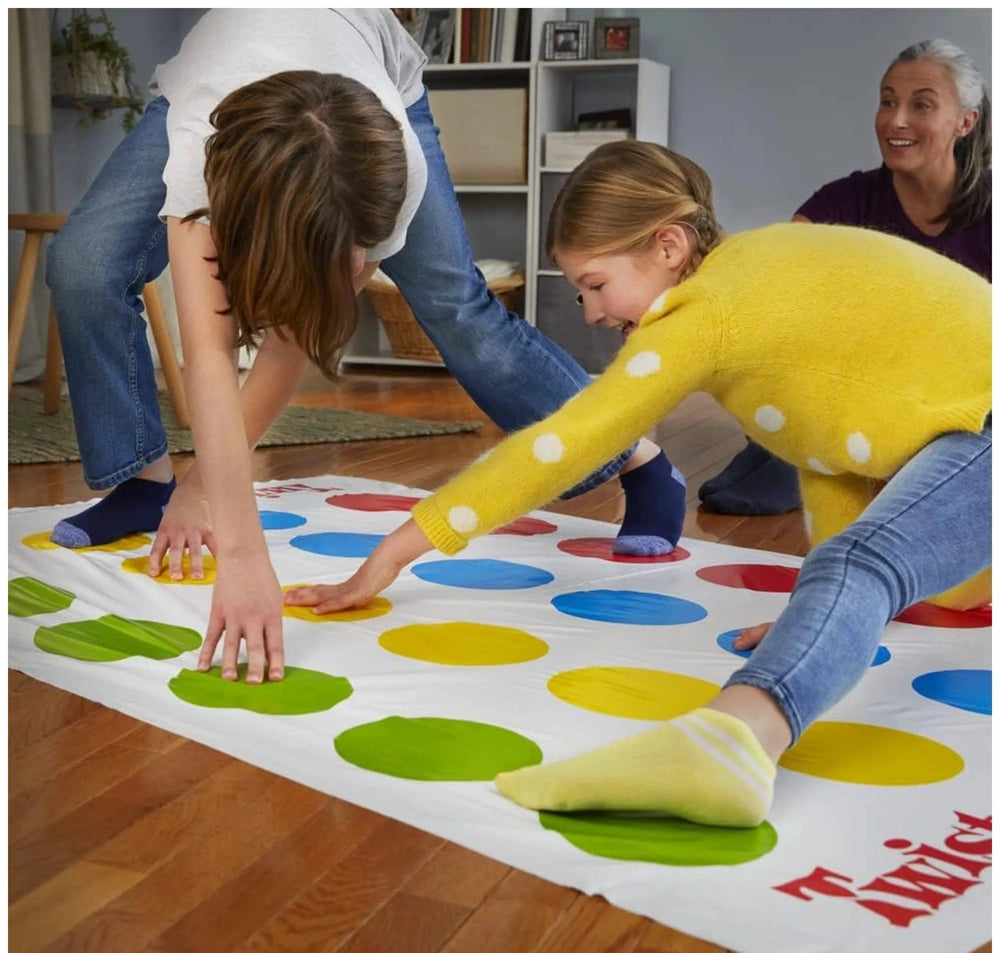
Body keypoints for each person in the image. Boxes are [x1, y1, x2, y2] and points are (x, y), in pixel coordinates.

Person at [288, 139, 991, 828]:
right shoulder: (751, 278)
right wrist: (821, 614)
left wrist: (395, 551)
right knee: (868, 570)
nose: (591, 311)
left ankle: (728, 745)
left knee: (860, 564)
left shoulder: (705, 314)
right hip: (969, 423)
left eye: (595, 285)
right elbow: (830, 450)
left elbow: (563, 446)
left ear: (668, 247)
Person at [45, 9, 685, 685]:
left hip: (368, 81)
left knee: (458, 311)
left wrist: (209, 489)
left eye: (363, 256)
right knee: (83, 265)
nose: (360, 277)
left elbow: (292, 344)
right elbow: (210, 354)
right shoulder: (201, 178)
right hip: (211, 97)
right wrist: (238, 553)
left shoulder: (389, 169)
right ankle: (144, 483)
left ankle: (640, 458)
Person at [700, 37, 991, 517]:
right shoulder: (843, 201)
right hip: (856, 390)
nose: (896, 120)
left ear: (965, 121)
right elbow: (774, 282)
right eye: (887, 101)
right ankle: (803, 457)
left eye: (921, 105)